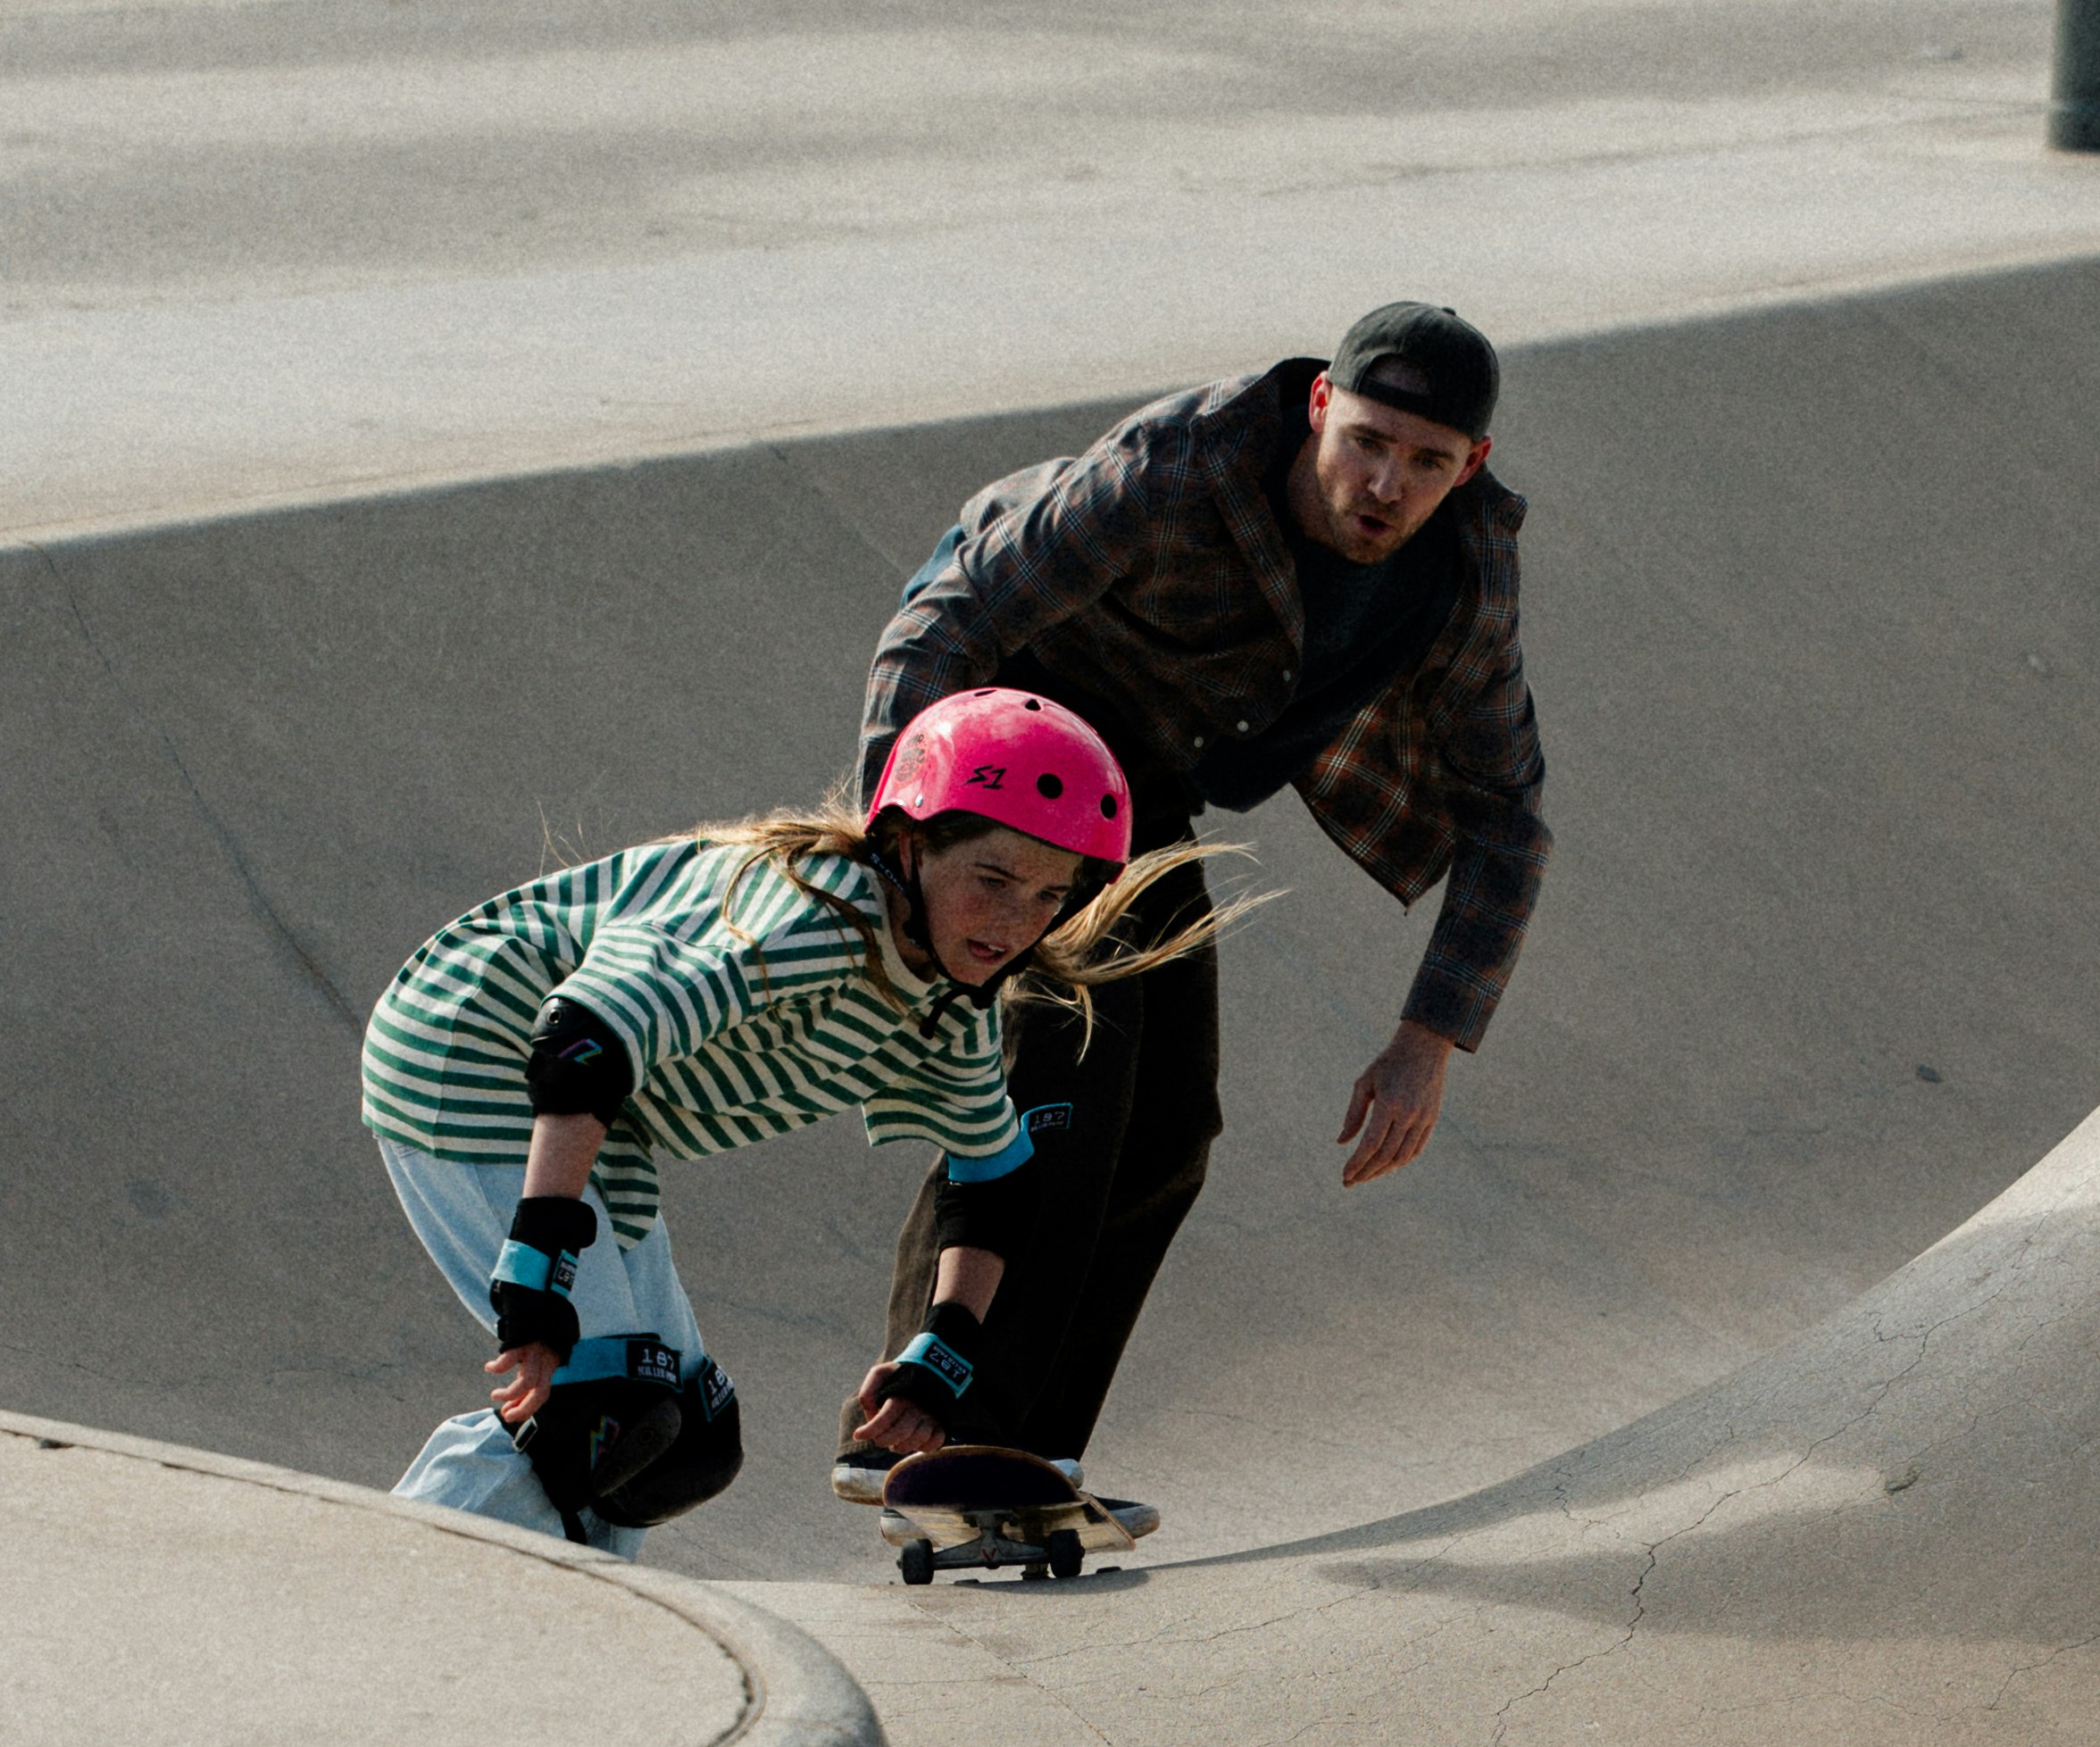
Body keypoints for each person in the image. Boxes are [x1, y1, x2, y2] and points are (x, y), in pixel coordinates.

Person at [837, 299, 1550, 1511]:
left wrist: (1426, 1039)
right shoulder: (1178, 470)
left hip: (1140, 793)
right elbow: (948, 620)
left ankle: (1036, 1457)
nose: (1384, 484)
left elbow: (1505, 810)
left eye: (1426, 462)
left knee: (1170, 1131)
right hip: (1021, 742)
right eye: (1367, 440)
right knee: (1065, 1093)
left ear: (1469, 464)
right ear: (1320, 403)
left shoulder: (1460, 572)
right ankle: (931, 1421)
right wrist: (893, 849)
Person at [362, 695, 1217, 1554]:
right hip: (471, 1045)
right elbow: (584, 1039)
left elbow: (993, 1184)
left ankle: (589, 1634)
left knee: (682, 1435)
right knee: (599, 1411)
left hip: (593, 1107)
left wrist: (939, 1356)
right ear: (909, 845)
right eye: (991, 880)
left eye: (1046, 897)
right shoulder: (808, 920)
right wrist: (538, 1269)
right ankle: (375, 1579)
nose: (1011, 923)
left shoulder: (948, 1005)